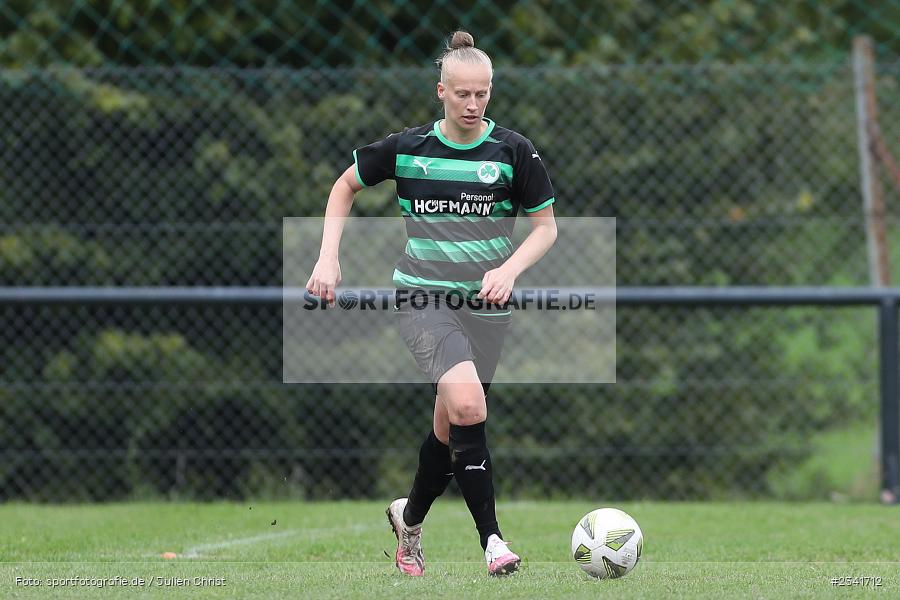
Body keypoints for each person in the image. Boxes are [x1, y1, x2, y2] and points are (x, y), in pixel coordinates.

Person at [306, 30, 557, 577]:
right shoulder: (409, 148)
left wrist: (509, 268)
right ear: (440, 91)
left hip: (488, 307)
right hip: (421, 296)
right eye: (462, 94)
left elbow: (546, 229)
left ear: (491, 92)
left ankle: (409, 520)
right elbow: (343, 187)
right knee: (469, 407)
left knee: (452, 427)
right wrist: (328, 258)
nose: (472, 105)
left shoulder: (513, 151)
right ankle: (492, 542)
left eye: (482, 95)